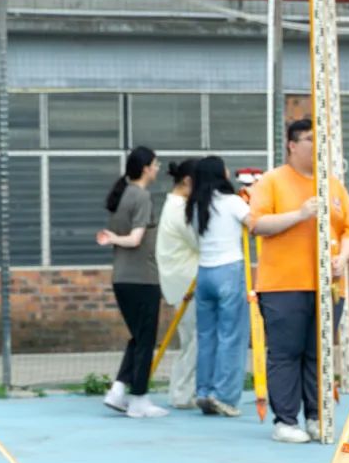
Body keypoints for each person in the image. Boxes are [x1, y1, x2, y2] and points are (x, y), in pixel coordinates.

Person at [247, 119, 349, 443]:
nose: (318, 145)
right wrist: (299, 214)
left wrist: (343, 257)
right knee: (286, 353)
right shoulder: (272, 181)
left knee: (319, 353)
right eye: (311, 139)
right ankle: (285, 421)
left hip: (327, 286)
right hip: (283, 285)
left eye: (321, 139)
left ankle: (316, 416)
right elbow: (256, 224)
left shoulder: (332, 185)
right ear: (292, 144)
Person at [96, 146, 167, 419]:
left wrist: (113, 237)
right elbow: (135, 239)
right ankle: (139, 399)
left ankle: (117, 391)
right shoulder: (141, 196)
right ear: (146, 168)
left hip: (122, 278)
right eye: (156, 164)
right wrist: (114, 239)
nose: (158, 168)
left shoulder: (123, 194)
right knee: (145, 340)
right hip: (142, 279)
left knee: (138, 337)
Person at [187, 156, 251, 417]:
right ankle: (224, 396)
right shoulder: (233, 202)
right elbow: (254, 222)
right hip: (229, 270)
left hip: (204, 272)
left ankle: (203, 391)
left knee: (206, 336)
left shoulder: (195, 206)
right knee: (231, 336)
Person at [155, 159, 199, 410]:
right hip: (186, 281)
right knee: (195, 340)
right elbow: (200, 242)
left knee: (191, 339)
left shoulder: (174, 205)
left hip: (180, 280)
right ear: (188, 181)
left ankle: (183, 391)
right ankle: (182, 392)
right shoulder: (181, 210)